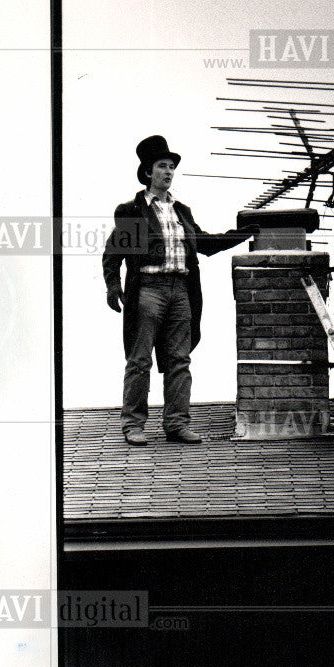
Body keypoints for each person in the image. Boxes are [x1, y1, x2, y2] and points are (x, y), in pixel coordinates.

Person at [102, 135, 259, 445]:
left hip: (180, 291)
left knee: (180, 359)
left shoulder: (181, 210)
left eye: (172, 167)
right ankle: (133, 425)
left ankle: (176, 424)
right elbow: (113, 255)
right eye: (162, 166)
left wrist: (241, 235)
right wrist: (112, 287)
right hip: (148, 289)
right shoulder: (133, 210)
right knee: (139, 360)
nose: (169, 172)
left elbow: (204, 244)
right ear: (148, 172)